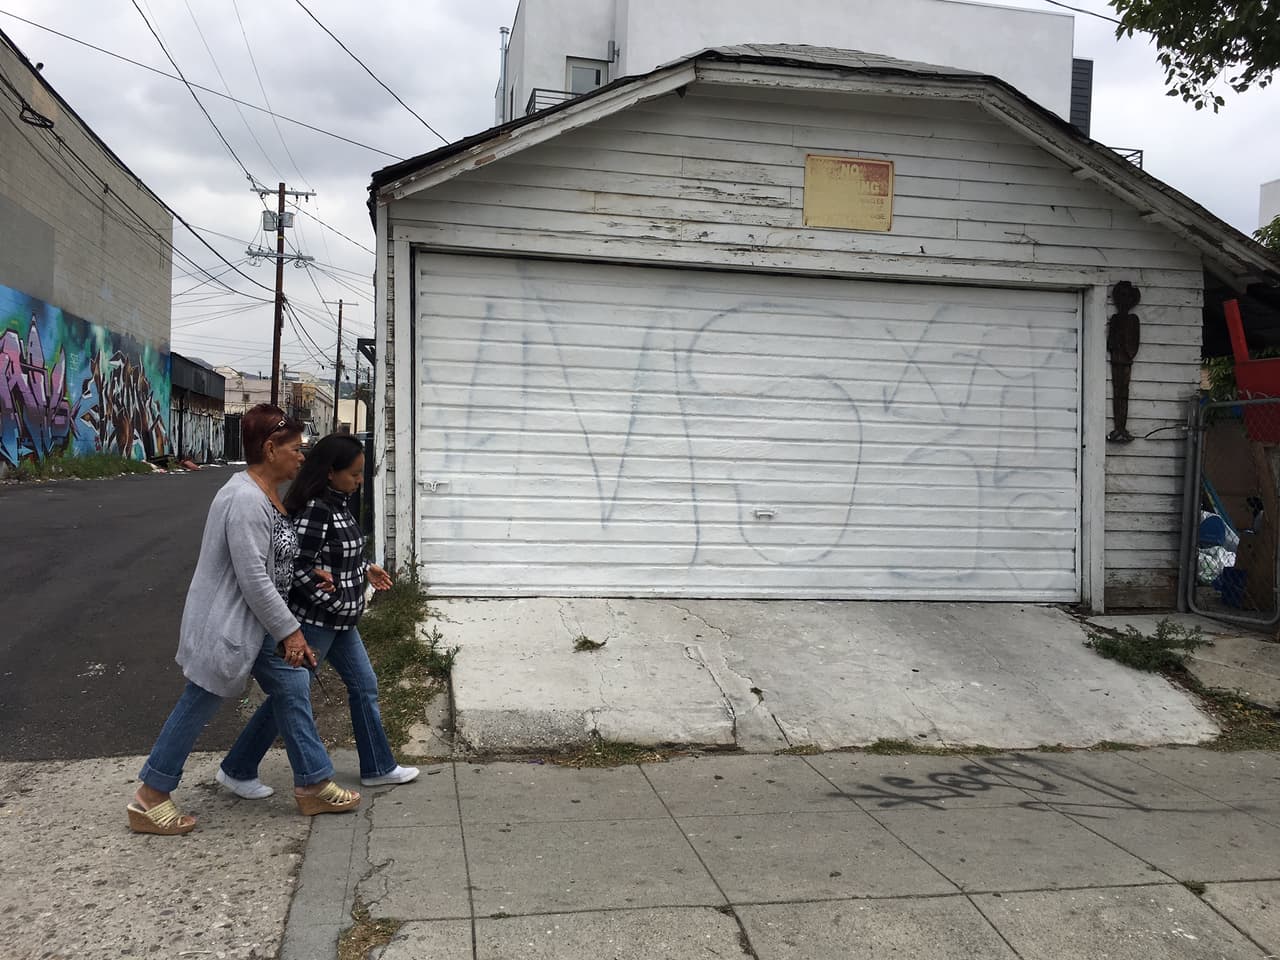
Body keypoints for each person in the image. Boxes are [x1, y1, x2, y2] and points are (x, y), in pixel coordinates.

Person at [127, 405, 362, 836]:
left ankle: (313, 783)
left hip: (258, 626)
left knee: (293, 685)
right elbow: (253, 577)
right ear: (270, 449)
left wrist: (310, 573)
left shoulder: (265, 494)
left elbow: (275, 559)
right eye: (295, 449)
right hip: (229, 626)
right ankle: (150, 796)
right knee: (198, 701)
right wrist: (291, 631)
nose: (301, 457)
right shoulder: (245, 500)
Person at [216, 433, 418, 799]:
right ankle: (238, 768)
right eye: (353, 474)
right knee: (289, 696)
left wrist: (365, 569)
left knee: (363, 686)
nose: (358, 481)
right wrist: (335, 597)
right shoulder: (316, 509)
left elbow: (336, 554)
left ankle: (377, 767)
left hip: (340, 623)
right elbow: (295, 566)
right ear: (330, 473)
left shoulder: (339, 504)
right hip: (315, 623)